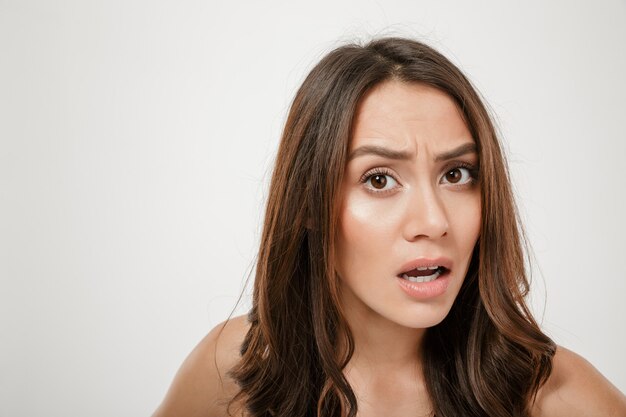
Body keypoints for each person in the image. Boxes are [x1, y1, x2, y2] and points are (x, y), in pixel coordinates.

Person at [152, 37, 626, 417]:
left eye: (456, 174)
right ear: (309, 206)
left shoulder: (559, 397)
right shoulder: (232, 370)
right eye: (379, 179)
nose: (434, 222)